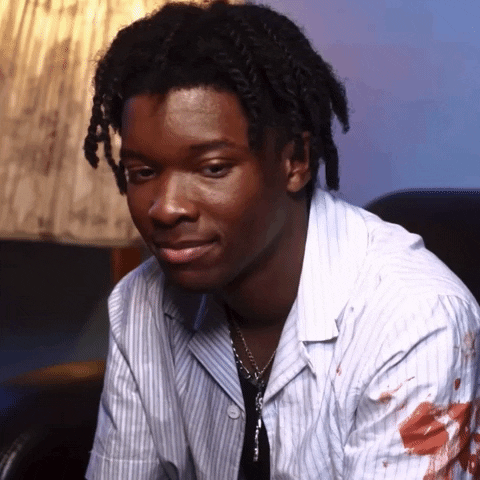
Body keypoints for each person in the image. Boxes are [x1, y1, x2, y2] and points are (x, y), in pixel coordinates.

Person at [83, 2, 480, 479]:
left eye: (213, 168)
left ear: (296, 161)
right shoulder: (140, 303)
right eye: (143, 172)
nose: (166, 208)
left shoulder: (414, 322)